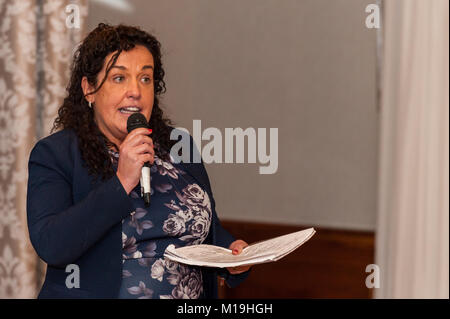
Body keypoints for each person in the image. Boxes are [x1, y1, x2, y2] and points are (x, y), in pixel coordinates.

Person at [26, 23, 251, 299]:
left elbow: (205, 227)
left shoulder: (178, 147)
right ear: (89, 89)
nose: (136, 90)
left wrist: (232, 252)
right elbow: (52, 244)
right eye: (119, 78)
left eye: (145, 78)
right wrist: (122, 182)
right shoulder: (56, 154)